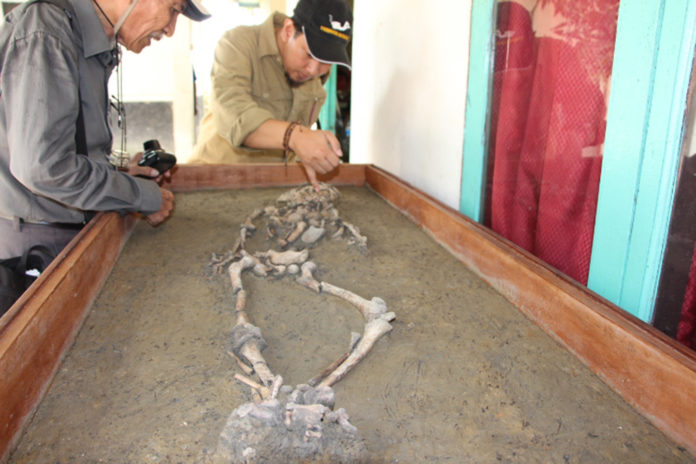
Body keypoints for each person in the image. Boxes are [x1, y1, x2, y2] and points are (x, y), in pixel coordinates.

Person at [0, 0, 211, 260]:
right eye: (174, 9)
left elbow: (70, 147)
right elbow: (44, 168)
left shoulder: (87, 37)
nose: (171, 30)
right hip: (36, 244)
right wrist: (140, 195)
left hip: (69, 230)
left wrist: (117, 174)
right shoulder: (47, 28)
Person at [188, 0, 352, 190]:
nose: (314, 69)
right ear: (288, 30)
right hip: (216, 181)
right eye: (308, 54)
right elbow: (236, 116)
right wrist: (296, 137)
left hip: (276, 185)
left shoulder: (313, 71)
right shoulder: (238, 44)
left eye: (326, 61)